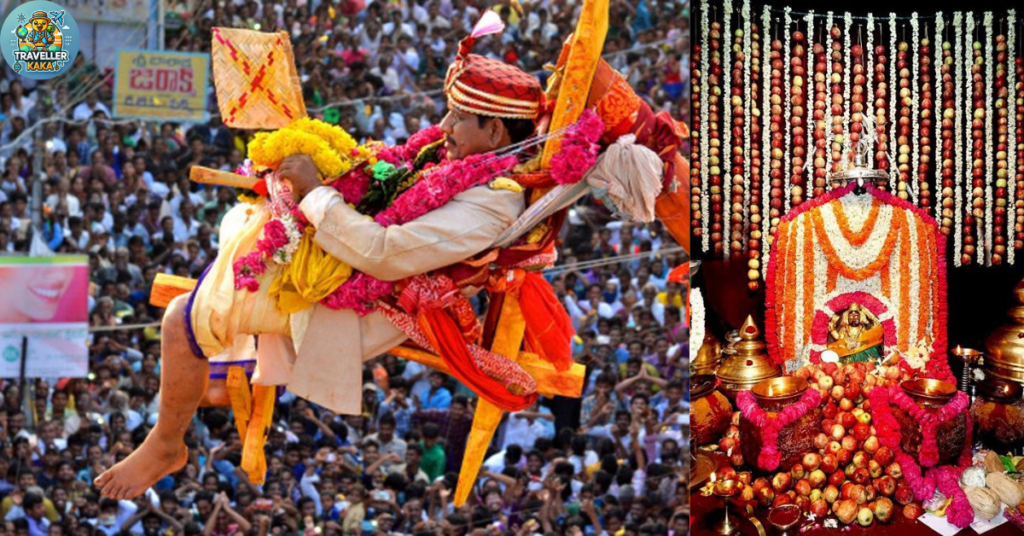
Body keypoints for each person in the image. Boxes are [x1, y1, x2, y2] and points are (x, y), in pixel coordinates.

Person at [94, 15, 546, 500]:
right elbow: (388, 180)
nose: (445, 127)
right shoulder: (457, 155)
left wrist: (314, 194)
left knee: (183, 318)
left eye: (458, 118)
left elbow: (384, 255)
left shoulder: (490, 199)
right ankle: (217, 373)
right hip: (352, 260)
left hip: (377, 301)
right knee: (245, 222)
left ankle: (166, 442)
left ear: (496, 133)